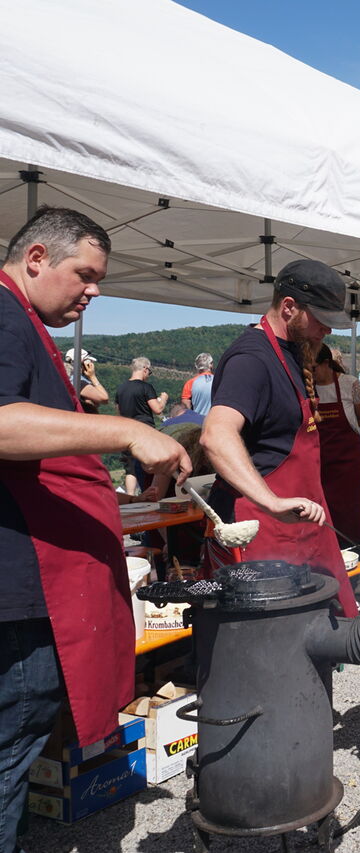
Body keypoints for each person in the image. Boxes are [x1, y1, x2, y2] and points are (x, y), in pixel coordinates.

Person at [0, 207, 190, 852]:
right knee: (10, 743)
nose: (95, 291)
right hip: (20, 572)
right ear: (35, 259)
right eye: (84, 274)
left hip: (36, 565)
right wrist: (130, 431)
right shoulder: (2, 313)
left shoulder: (28, 324)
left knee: (18, 746)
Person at [200, 259, 358, 617]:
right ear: (288, 307)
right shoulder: (250, 358)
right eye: (321, 321)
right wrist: (270, 501)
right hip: (260, 529)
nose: (327, 332)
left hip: (298, 525)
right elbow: (215, 435)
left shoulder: (291, 353)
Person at [314, 343, 360, 546]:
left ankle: (354, 549)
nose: (310, 373)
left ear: (326, 363)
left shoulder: (350, 384)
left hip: (347, 464)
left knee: (350, 511)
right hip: (319, 464)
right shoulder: (307, 387)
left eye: (313, 368)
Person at [115, 355, 168, 494]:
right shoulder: (146, 387)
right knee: (149, 464)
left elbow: (119, 410)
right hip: (145, 431)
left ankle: (131, 497)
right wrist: (163, 399)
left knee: (130, 468)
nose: (148, 375)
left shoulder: (121, 388)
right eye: (149, 372)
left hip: (126, 431)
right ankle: (150, 493)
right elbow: (157, 409)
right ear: (145, 369)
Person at [63, 347, 108, 413]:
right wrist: (93, 377)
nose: (91, 365)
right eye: (88, 362)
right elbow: (104, 398)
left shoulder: (69, 378)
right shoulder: (78, 381)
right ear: (82, 363)